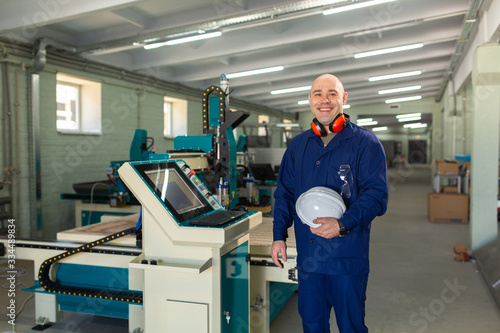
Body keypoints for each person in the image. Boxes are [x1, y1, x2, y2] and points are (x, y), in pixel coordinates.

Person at [271, 74, 389, 333]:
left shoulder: (365, 144)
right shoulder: (298, 146)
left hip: (347, 258)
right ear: (309, 100)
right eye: (317, 94)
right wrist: (278, 235)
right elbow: (285, 194)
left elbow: (376, 196)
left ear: (344, 99)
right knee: (312, 325)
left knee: (351, 327)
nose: (325, 100)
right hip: (310, 259)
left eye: (332, 94)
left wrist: (343, 224)